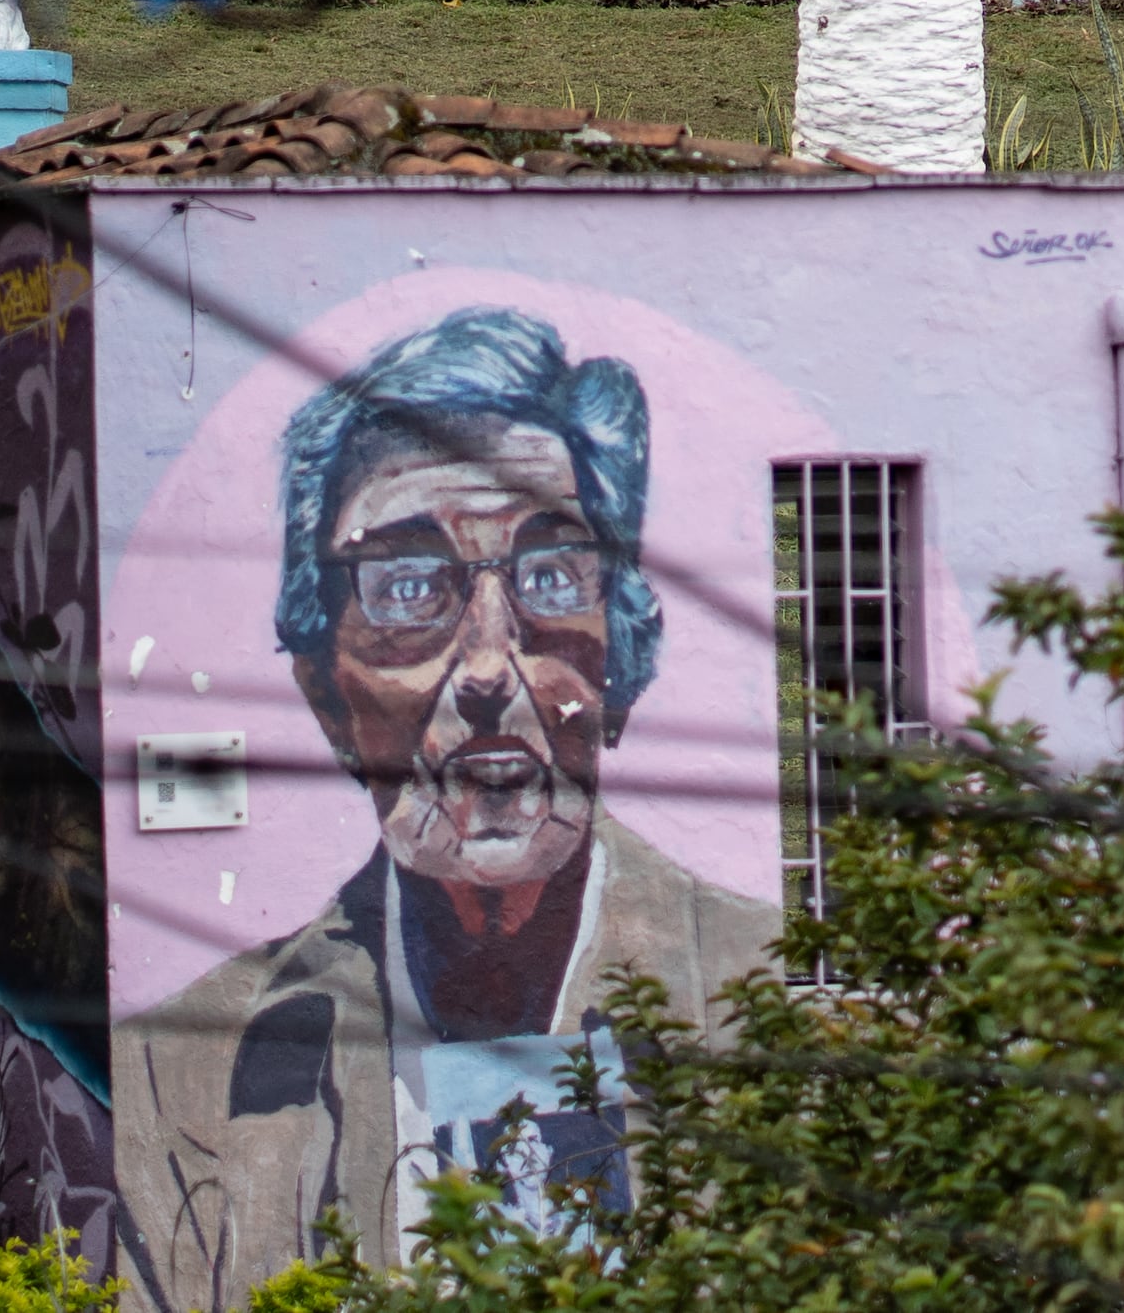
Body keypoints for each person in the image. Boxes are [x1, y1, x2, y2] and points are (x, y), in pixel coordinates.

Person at [117, 308, 779, 1304]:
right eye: (405, 583)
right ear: (319, 685)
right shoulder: (185, 1080)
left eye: (553, 574)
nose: (483, 668)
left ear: (620, 658)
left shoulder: (769, 1017)